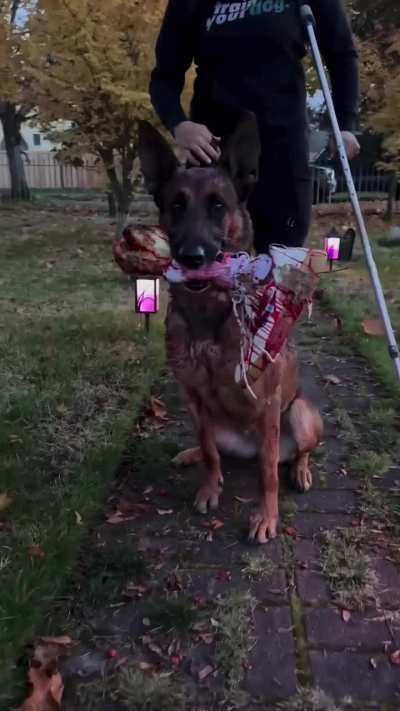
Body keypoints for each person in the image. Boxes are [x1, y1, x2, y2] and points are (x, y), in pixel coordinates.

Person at [150, 0, 360, 252]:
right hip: (213, 156)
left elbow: (342, 54)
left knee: (284, 261)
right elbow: (164, 77)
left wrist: (344, 124)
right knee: (213, 266)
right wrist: (179, 124)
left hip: (282, 148)